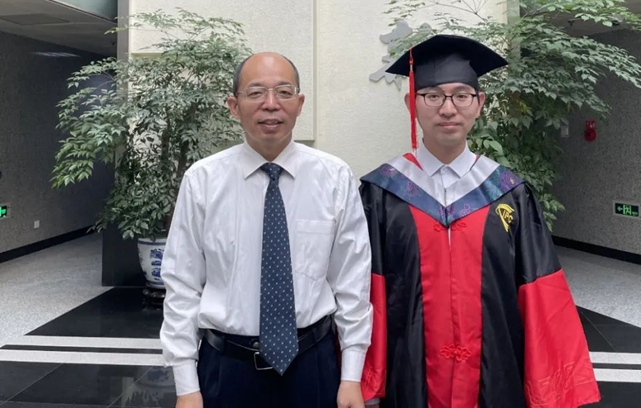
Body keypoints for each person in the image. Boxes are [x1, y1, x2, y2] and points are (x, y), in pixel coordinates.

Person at [359, 35, 601, 408]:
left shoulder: (509, 193)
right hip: (408, 378)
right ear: (412, 104)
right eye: (433, 96)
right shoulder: (382, 193)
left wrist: (548, 387)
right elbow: (367, 293)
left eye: (461, 96)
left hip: (495, 376)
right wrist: (364, 381)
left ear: (479, 103)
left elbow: (541, 293)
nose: (448, 109)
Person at [160, 52, 372, 408]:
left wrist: (351, 375)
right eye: (256, 93)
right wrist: (186, 385)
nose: (271, 104)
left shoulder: (334, 177)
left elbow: (352, 281)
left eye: (284, 92)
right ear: (234, 105)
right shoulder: (203, 180)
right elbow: (182, 283)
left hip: (312, 366)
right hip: (226, 368)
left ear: (299, 104)